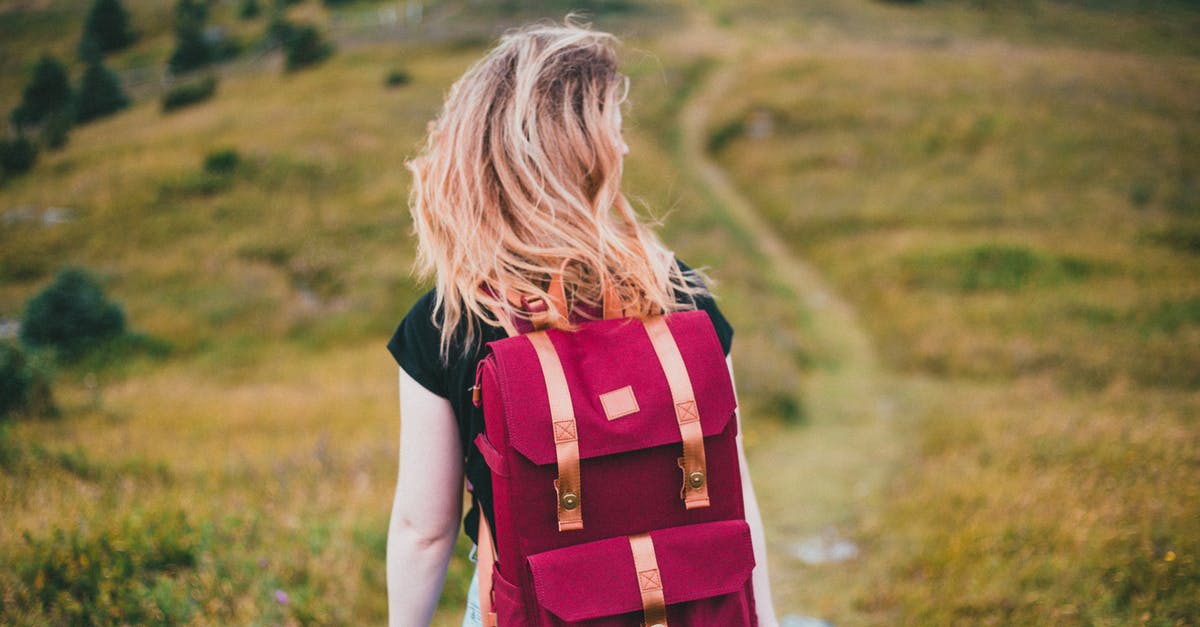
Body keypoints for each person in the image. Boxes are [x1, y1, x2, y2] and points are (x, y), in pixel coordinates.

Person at [385, 18, 778, 627]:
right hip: (689, 606)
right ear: (583, 152)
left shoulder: (451, 318)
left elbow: (423, 531)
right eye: (612, 130)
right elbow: (735, 494)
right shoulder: (680, 295)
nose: (622, 148)